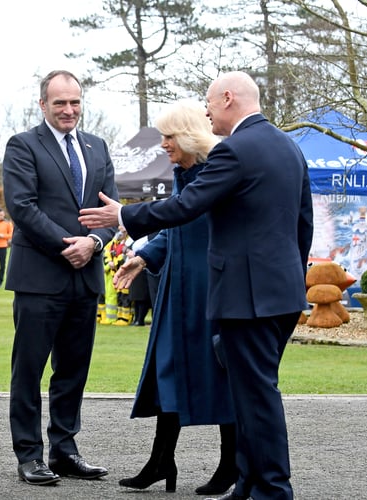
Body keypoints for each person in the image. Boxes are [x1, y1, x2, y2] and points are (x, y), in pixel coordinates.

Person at [79, 71, 313, 500]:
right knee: (248, 395)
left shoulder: (236, 151)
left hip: (246, 298)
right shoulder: (288, 147)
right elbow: (303, 226)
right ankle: (248, 484)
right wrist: (290, 283)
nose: (206, 112)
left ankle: (272, 490)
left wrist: (124, 218)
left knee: (257, 397)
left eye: (209, 103)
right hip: (279, 296)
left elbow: (187, 206)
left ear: (228, 98)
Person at [105, 100, 237, 495]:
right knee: (168, 375)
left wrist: (129, 223)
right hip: (176, 294)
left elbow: (182, 217)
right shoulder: (183, 173)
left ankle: (230, 463)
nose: (163, 144)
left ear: (189, 136)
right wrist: (143, 258)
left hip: (207, 295)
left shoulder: (215, 173)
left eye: (168, 136)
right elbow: (176, 230)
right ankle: (162, 460)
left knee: (220, 378)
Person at [2, 69, 118, 486]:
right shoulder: (23, 146)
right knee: (29, 370)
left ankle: (65, 449)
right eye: (60, 103)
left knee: (74, 370)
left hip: (85, 276)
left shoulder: (97, 146)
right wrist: (68, 244)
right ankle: (29, 455)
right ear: (42, 105)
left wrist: (95, 243)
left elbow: (112, 208)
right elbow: (23, 206)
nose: (69, 110)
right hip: (40, 277)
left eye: (75, 102)